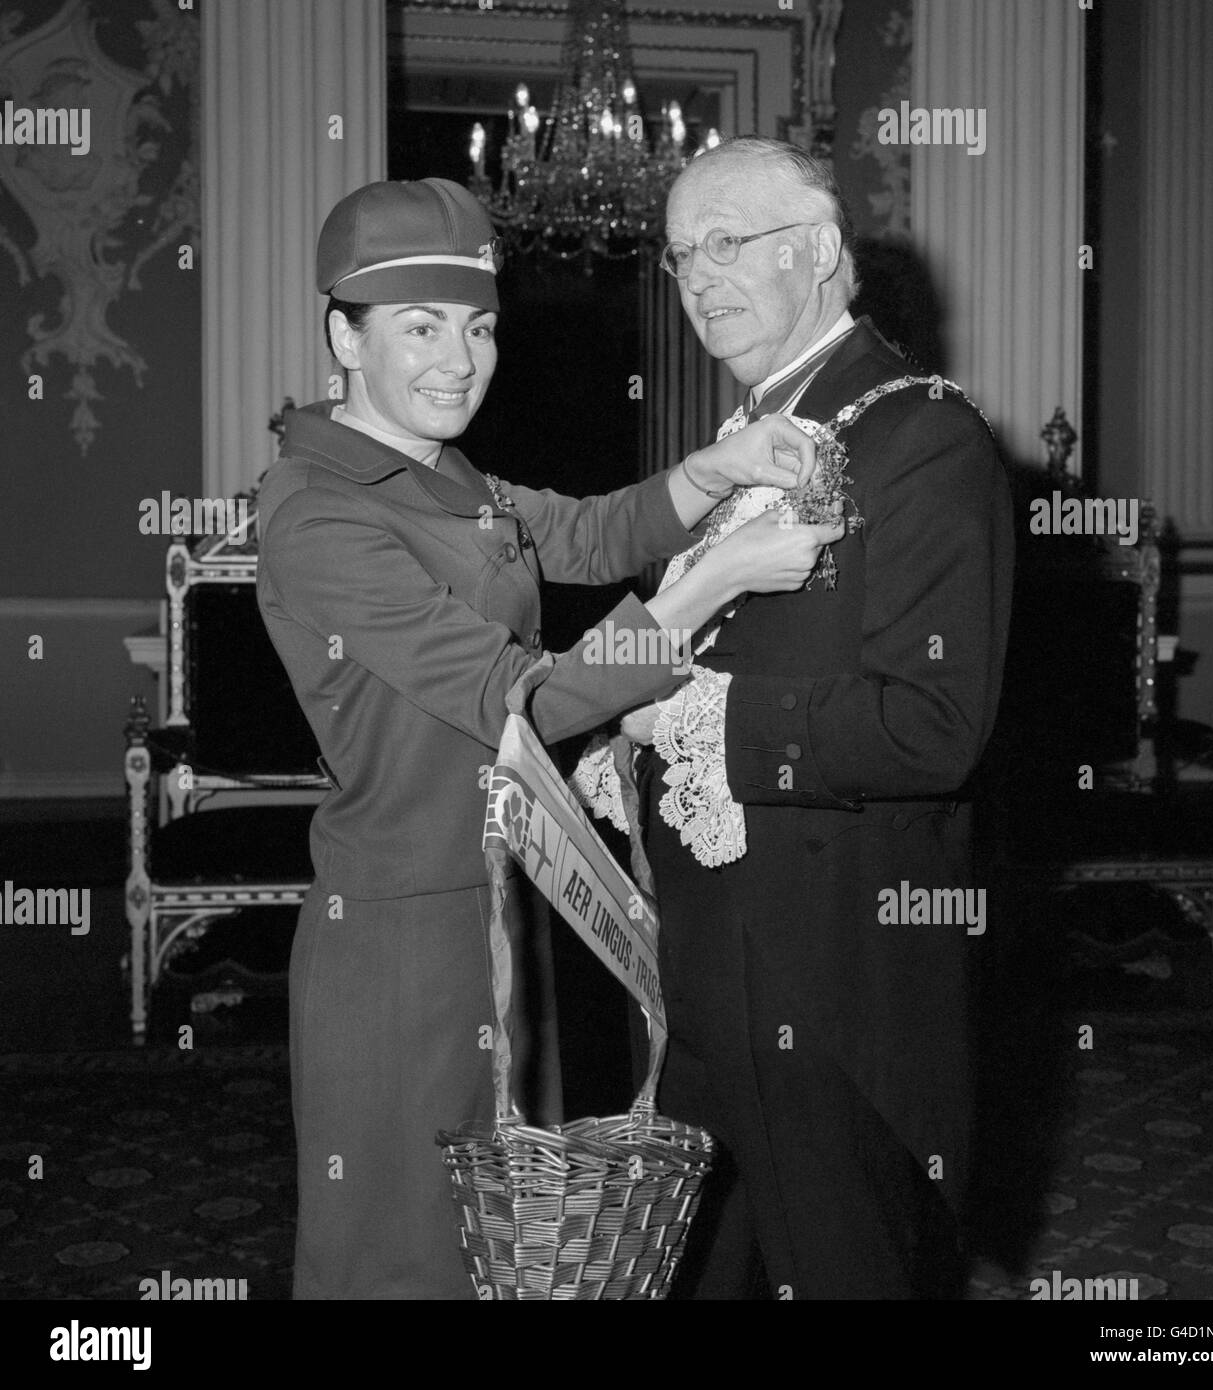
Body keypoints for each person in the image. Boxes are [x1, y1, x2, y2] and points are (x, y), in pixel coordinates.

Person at [253, 176, 843, 1300]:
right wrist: (707, 582)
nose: (459, 360)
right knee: (400, 1255)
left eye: (476, 328)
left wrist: (715, 470)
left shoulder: (439, 474)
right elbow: (521, 697)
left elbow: (584, 528)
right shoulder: (318, 509)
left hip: (502, 908)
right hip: (395, 941)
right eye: (420, 327)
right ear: (343, 334)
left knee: (507, 1256)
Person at [576, 138, 1015, 1299]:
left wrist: (692, 721)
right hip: (706, 977)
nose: (697, 277)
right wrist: (626, 743)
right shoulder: (741, 449)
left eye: (727, 242)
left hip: (834, 989)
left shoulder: (922, 434)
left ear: (819, 252)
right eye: (679, 257)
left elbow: (934, 725)